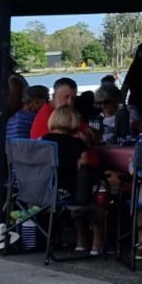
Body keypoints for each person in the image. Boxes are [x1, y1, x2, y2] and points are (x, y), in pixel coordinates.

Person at [41, 104, 101, 254]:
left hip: (41, 193)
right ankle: (97, 241)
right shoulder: (76, 144)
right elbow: (85, 170)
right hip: (65, 194)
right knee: (100, 192)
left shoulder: (40, 141)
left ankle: (81, 240)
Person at [31, 77, 93, 142]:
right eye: (66, 97)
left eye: (73, 98)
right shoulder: (50, 117)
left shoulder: (65, 113)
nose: (70, 102)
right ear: (54, 96)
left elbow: (91, 132)